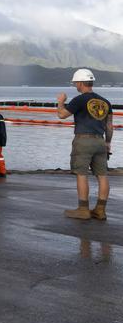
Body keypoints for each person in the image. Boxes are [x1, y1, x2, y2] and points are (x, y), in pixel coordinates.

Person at [56, 68, 113, 220]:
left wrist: (60, 102)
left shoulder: (79, 100)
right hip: (100, 141)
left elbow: (62, 115)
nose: (76, 85)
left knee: (81, 174)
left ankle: (83, 210)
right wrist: (107, 143)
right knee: (102, 175)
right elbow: (109, 126)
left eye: (76, 83)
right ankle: (100, 210)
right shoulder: (105, 102)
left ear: (81, 83)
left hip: (83, 140)